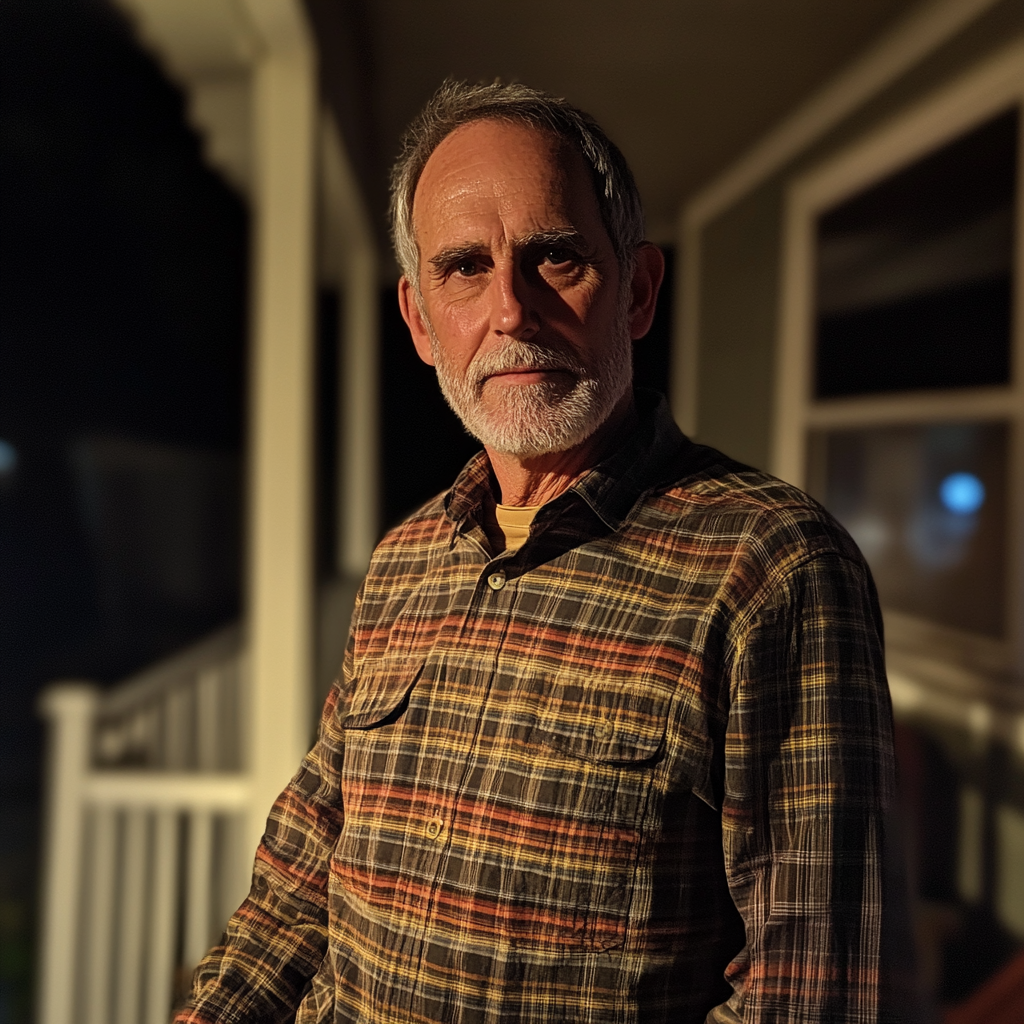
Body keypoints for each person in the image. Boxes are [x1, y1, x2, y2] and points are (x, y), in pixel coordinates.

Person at [177, 80, 914, 1023]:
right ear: (417, 320)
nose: (512, 312)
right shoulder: (407, 559)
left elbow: (808, 991)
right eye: (464, 269)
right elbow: (297, 883)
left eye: (555, 257)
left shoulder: (773, 565)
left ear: (638, 290)